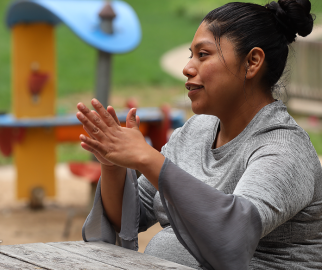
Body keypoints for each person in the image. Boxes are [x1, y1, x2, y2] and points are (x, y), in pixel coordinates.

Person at [75, 0, 321, 269]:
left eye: (203, 55)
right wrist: (113, 166)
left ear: (252, 62)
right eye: (190, 55)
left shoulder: (283, 148)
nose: (188, 68)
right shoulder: (196, 131)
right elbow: (128, 217)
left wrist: (149, 159)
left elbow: (234, 233)